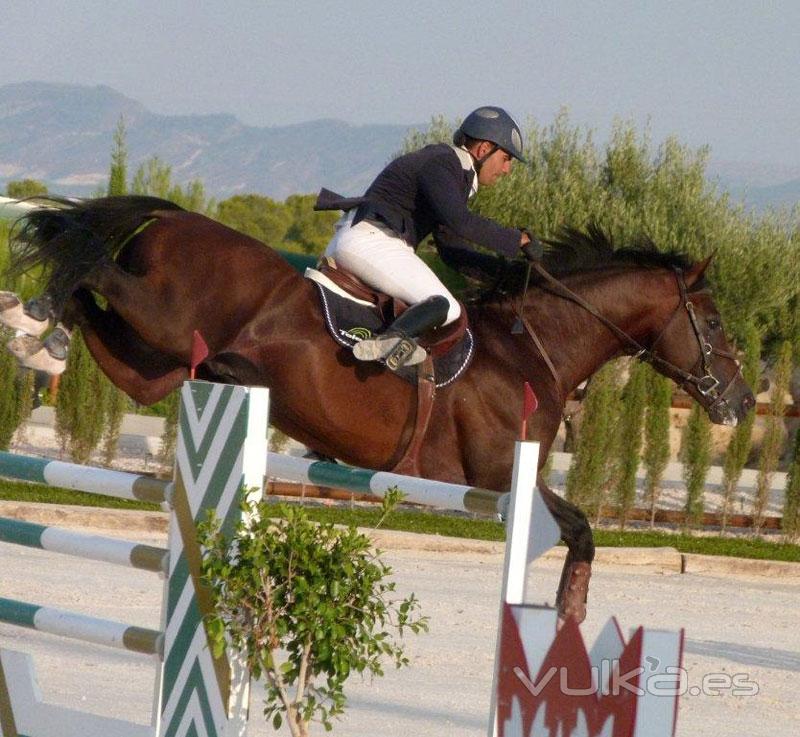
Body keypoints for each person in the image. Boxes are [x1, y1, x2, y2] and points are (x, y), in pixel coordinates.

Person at [315, 105, 542, 371]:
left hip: (365, 242)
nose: (507, 169)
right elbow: (461, 222)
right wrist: (519, 240)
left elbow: (452, 250)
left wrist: (505, 271)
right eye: (506, 158)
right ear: (484, 149)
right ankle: (387, 343)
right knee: (447, 307)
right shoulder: (442, 162)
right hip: (371, 242)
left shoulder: (453, 176)